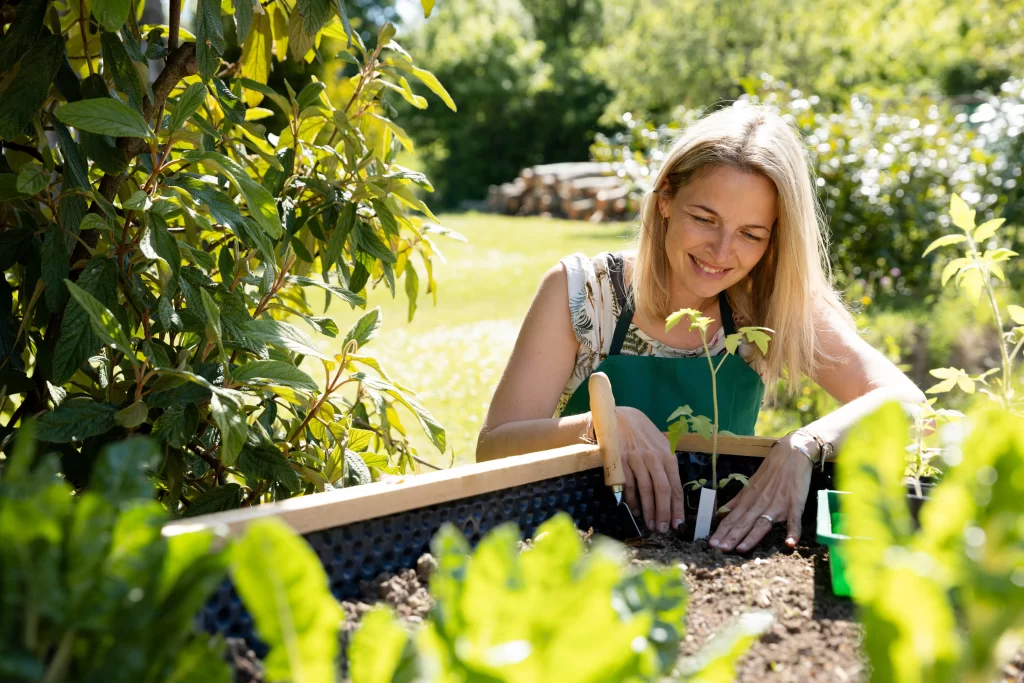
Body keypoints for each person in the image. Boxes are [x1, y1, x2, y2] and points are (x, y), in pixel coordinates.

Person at [475, 104, 925, 553]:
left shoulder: (769, 305)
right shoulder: (584, 293)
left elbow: (908, 404)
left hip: (714, 550)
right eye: (705, 219)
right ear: (666, 199)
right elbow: (493, 447)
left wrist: (806, 444)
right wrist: (605, 426)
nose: (721, 251)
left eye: (751, 234)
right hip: (573, 551)